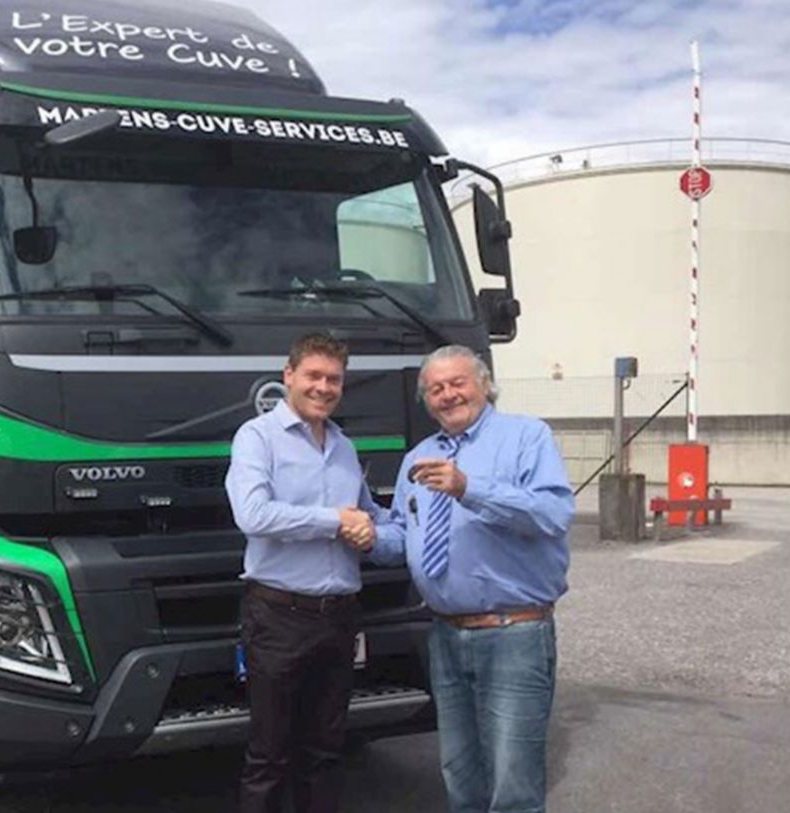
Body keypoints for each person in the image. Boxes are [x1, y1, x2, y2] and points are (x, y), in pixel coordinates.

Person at [367, 345, 573, 813]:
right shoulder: (418, 457)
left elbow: (552, 514)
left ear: (484, 384)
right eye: (435, 389)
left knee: (513, 784)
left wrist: (469, 488)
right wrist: (367, 536)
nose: (448, 395)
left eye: (457, 383)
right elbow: (404, 535)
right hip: (445, 634)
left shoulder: (526, 436)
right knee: (460, 776)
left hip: (514, 633)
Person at [225, 332, 382, 813]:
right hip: (279, 619)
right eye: (314, 375)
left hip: (338, 619)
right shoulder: (257, 438)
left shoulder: (344, 446)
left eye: (334, 379)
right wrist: (335, 522)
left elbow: (366, 514)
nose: (324, 387)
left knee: (325, 752)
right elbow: (253, 515)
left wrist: (372, 531)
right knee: (269, 756)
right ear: (288, 375)